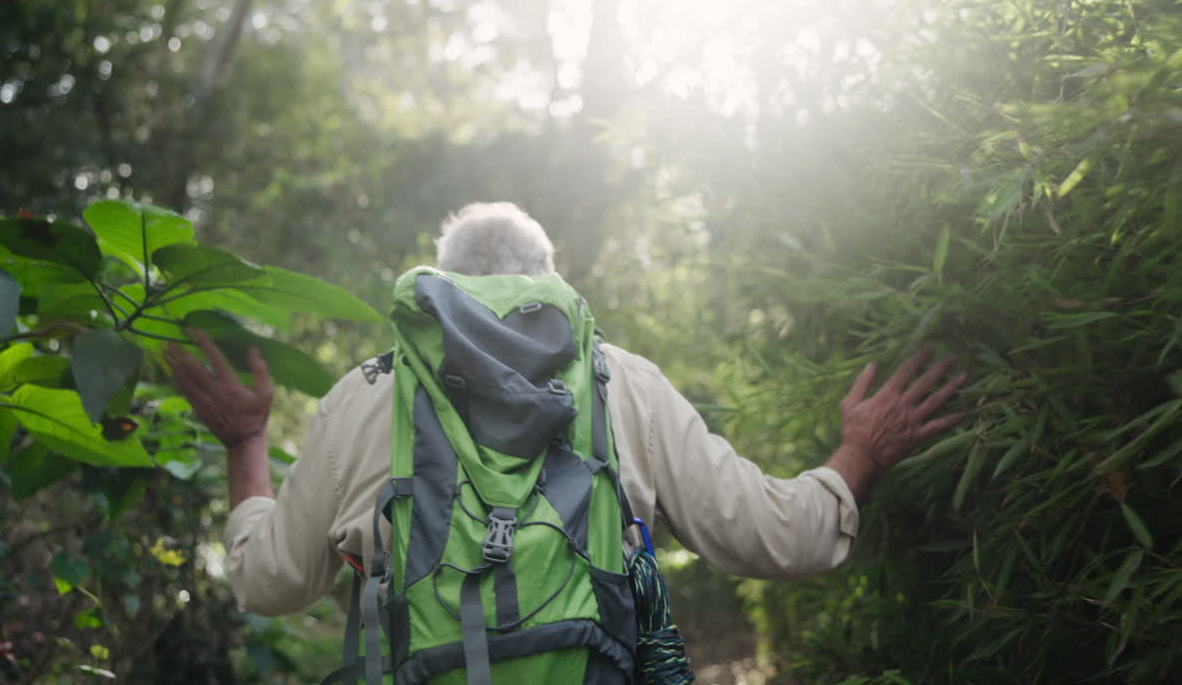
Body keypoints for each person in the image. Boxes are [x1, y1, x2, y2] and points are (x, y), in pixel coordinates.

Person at [165, 201, 967, 618]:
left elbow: (268, 584)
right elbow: (783, 537)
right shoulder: (623, 383)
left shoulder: (365, 398)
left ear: (438, 286)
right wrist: (860, 452)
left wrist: (246, 441)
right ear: (552, 279)